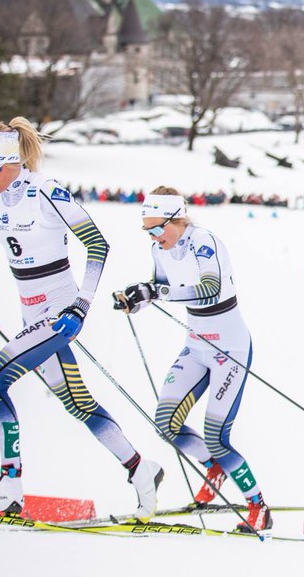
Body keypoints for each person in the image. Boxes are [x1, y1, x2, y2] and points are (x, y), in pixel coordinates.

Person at [0, 118, 162, 518]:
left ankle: (10, 485)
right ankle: (142, 469)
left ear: (12, 162)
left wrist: (81, 305)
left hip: (60, 310)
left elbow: (97, 245)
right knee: (77, 404)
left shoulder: (45, 192)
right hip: (31, 310)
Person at [114, 189, 269, 532]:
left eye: (157, 229)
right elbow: (160, 288)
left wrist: (156, 292)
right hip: (197, 347)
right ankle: (213, 467)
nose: (154, 237)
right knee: (165, 423)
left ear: (177, 220)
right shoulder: (160, 248)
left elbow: (209, 289)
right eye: (148, 230)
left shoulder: (204, 242)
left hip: (230, 350)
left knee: (217, 435)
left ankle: (258, 505)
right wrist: (136, 299)